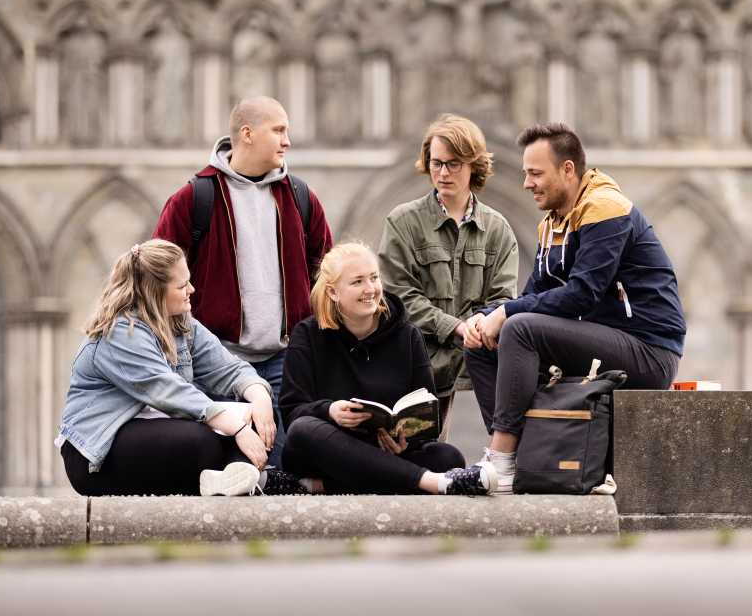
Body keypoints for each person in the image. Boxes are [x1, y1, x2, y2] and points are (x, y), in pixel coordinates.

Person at [463, 123, 686, 492]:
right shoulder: (552, 224)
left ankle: (501, 464)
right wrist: (488, 317)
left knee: (518, 327)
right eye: (525, 174)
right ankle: (524, 456)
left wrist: (506, 315)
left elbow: (581, 296)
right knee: (482, 343)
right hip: (604, 345)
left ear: (568, 170)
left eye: (536, 174)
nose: (526, 184)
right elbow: (533, 296)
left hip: (648, 352)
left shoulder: (606, 208)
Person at [153, 96, 332, 469]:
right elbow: (155, 282)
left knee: (285, 474)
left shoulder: (301, 199)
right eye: (279, 130)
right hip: (212, 365)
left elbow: (328, 279)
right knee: (218, 474)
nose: (287, 141)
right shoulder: (193, 198)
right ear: (247, 134)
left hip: (286, 365)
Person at [57, 239, 307, 496]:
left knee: (257, 418)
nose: (192, 288)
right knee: (200, 441)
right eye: (182, 285)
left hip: (158, 433)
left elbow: (228, 368)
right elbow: (170, 392)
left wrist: (261, 397)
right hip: (95, 455)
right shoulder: (120, 332)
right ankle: (254, 479)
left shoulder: (180, 322)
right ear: (154, 291)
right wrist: (239, 429)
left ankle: (235, 478)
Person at [277, 242, 497, 496]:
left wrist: (405, 442)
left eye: (374, 277)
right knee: (304, 429)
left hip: (384, 450)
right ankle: (433, 483)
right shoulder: (308, 334)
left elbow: (427, 416)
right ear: (333, 292)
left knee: (448, 457)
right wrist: (330, 411)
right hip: (326, 453)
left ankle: (320, 487)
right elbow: (293, 413)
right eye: (357, 282)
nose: (370, 289)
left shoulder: (407, 335)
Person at [378, 114, 518, 441]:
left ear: (474, 166)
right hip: (418, 366)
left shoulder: (498, 230)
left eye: (454, 164)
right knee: (426, 463)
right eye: (436, 163)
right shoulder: (403, 222)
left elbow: (503, 300)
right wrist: (455, 327)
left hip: (480, 363)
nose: (442, 173)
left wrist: (479, 326)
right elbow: (399, 296)